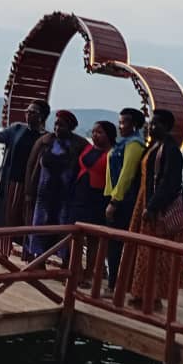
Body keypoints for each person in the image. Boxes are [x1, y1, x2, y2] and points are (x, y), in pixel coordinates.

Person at [127, 109, 183, 311]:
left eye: (156, 124)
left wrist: (152, 206)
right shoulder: (154, 147)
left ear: (167, 127)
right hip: (144, 201)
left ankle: (153, 297)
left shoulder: (171, 151)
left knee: (156, 254)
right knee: (142, 251)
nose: (151, 127)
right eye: (151, 123)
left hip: (156, 208)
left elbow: (170, 183)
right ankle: (139, 293)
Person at [0, 99, 49, 255]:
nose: (28, 114)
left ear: (41, 117)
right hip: (12, 181)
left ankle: (29, 254)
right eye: (27, 111)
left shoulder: (47, 138)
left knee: (28, 219)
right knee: (7, 218)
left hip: (32, 186)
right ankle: (2, 254)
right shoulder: (17, 129)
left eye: (32, 112)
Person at [25, 110, 88, 263]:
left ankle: (66, 261)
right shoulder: (44, 142)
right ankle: (38, 259)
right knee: (40, 225)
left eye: (62, 125)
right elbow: (31, 166)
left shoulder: (80, 145)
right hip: (44, 194)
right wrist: (29, 191)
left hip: (66, 196)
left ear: (70, 127)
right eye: (56, 124)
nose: (58, 128)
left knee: (64, 227)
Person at [103, 108, 147, 291]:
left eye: (124, 122)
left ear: (134, 125)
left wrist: (115, 201)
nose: (120, 126)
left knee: (116, 243)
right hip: (112, 197)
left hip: (124, 201)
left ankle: (114, 284)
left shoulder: (135, 144)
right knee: (110, 243)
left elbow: (127, 175)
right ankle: (114, 281)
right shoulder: (122, 143)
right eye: (119, 122)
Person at [71, 120, 117, 286]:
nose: (95, 135)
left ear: (109, 135)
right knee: (74, 234)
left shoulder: (113, 154)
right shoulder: (88, 148)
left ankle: (89, 274)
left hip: (98, 197)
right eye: (93, 131)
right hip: (80, 194)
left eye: (99, 132)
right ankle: (76, 271)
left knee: (93, 239)